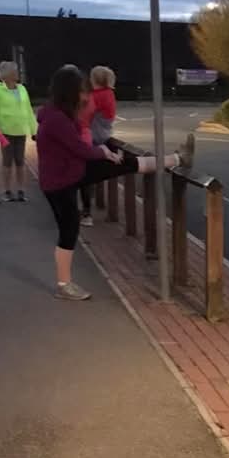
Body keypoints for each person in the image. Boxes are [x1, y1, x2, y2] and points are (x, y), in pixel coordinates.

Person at [37, 63, 194, 300]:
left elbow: (79, 143)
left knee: (122, 165)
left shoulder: (57, 113)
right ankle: (64, 284)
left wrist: (103, 152)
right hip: (62, 181)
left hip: (68, 174)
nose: (85, 95)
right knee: (68, 230)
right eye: (82, 90)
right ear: (70, 92)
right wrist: (103, 152)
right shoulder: (57, 119)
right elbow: (80, 148)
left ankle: (176, 159)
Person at [0, 61, 36, 202]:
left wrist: (34, 130)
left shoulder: (22, 89)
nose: (17, 74)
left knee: (20, 161)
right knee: (7, 162)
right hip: (5, 131)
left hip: (20, 130)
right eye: (15, 72)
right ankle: (7, 190)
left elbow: (28, 110)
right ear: (8, 75)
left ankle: (21, 190)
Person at [78, 64, 118, 227]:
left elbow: (84, 114)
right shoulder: (109, 93)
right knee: (90, 174)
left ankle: (87, 213)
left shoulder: (97, 95)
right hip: (103, 133)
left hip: (94, 135)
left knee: (84, 176)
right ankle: (88, 209)